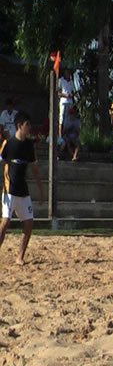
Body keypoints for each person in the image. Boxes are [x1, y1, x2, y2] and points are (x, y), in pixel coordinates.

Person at [0, 111, 44, 265]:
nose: (30, 128)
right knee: (5, 223)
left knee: (29, 223)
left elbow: (34, 169)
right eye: (27, 125)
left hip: (23, 191)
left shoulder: (29, 146)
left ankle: (20, 256)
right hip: (9, 189)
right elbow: (2, 162)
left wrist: (40, 190)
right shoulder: (9, 143)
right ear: (20, 126)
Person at [57, 69, 75, 136]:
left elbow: (74, 92)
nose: (68, 74)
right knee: (61, 118)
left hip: (70, 102)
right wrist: (65, 95)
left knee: (69, 119)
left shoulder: (71, 82)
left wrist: (72, 95)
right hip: (63, 102)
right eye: (67, 73)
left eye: (69, 73)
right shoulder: (61, 80)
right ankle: (60, 135)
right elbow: (58, 93)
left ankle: (67, 134)